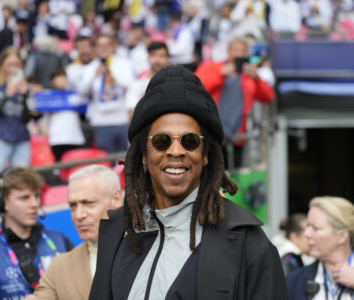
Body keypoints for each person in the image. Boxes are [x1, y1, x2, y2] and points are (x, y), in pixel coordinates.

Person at [89, 65, 288, 300]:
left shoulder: (250, 245)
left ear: (205, 155)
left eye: (190, 141)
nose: (176, 151)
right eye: (162, 141)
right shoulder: (118, 234)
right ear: (143, 154)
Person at [28, 165, 122, 300]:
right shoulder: (59, 268)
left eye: (88, 203)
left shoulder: (149, 250)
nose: (79, 215)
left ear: (116, 199)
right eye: (73, 205)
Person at [0, 167, 73, 300]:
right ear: (3, 202)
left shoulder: (61, 241)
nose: (34, 204)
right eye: (24, 198)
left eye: (37, 196)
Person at [195, 37, 274, 167]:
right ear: (228, 51)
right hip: (210, 135)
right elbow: (197, 87)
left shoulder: (249, 77)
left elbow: (268, 96)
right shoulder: (212, 67)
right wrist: (221, 74)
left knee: (233, 175)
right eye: (234, 50)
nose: (237, 54)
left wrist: (256, 78)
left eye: (242, 51)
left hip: (236, 138)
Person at [286, 196, 354, 300]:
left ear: (342, 236)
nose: (307, 234)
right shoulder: (293, 282)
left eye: (315, 228)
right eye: (308, 226)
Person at [0, 47, 37, 177]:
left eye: (17, 65)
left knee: (23, 181)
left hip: (22, 141)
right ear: (2, 66)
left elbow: (28, 118)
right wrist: (6, 95)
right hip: (0, 140)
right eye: (10, 65)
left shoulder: (27, 89)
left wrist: (25, 96)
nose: (13, 69)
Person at [124, 41, 170, 120]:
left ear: (168, 59)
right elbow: (131, 114)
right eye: (153, 55)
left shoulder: (174, 83)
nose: (157, 60)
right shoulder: (137, 84)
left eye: (162, 56)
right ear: (148, 58)